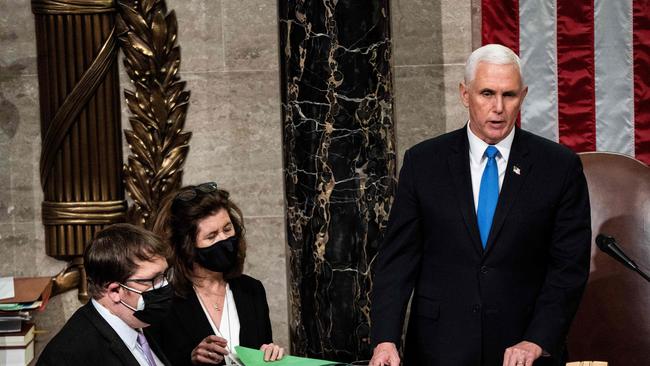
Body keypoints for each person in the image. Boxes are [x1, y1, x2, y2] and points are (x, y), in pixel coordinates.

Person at [369, 44, 591, 366]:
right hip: (438, 350)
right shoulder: (423, 163)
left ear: (523, 96)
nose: (498, 107)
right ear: (465, 94)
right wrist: (385, 340)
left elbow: (568, 268)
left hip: (523, 352)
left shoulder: (558, 167)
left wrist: (537, 341)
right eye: (487, 93)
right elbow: (397, 261)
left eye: (509, 95)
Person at [149, 182, 284, 365]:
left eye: (227, 229)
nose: (224, 239)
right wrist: (191, 360)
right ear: (186, 247)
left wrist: (271, 355)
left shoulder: (252, 290)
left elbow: (262, 352)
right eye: (211, 236)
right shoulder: (163, 302)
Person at [37, 223, 174, 365]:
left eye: (164, 275)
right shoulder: (68, 356)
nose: (164, 285)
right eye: (153, 279)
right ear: (114, 291)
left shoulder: (139, 321)